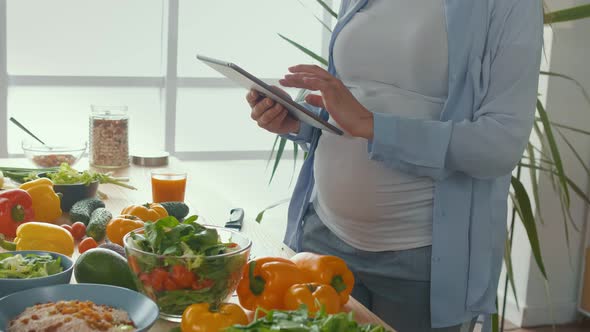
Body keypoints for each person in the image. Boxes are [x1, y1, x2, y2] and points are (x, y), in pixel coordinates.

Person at [246, 1, 543, 331]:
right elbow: (355, 98)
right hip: (323, 238)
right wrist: (298, 121)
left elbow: (500, 145)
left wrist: (372, 124)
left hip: (419, 263)